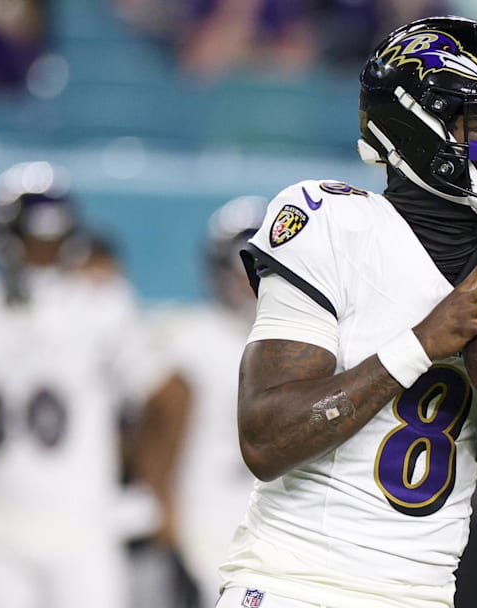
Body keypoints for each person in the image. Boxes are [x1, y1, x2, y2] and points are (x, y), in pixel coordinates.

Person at [216, 16, 477, 608]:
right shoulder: (331, 223)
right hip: (296, 586)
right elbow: (265, 440)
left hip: (424, 594)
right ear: (415, 125)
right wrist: (420, 344)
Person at [0, 161, 191, 608]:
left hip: (82, 527)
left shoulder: (101, 307)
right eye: (34, 243)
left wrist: (153, 486)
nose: (43, 255)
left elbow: (171, 395)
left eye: (52, 243)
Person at [147, 196, 265, 604]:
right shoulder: (189, 337)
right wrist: (162, 500)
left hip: (279, 509)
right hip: (210, 507)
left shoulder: (313, 340)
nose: (247, 284)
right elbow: (154, 426)